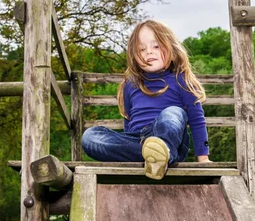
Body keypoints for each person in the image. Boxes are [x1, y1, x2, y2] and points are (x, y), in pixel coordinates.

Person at [82, 19, 210, 180]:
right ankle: (149, 157)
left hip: (171, 141)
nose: (149, 52)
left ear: (171, 47)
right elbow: (129, 121)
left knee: (173, 112)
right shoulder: (130, 84)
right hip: (138, 141)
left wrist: (203, 158)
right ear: (134, 56)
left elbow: (197, 121)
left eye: (156, 46)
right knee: (90, 136)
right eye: (142, 49)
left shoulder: (181, 79)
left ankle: (163, 153)